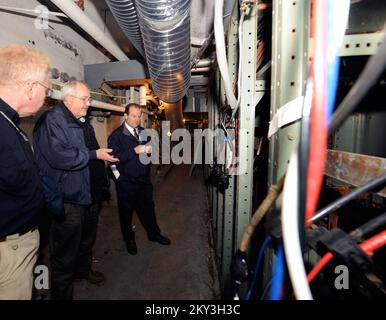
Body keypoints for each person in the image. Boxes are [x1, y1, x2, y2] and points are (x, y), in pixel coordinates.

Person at [33, 80, 118, 300]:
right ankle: (62, 294)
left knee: (86, 241)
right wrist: (95, 155)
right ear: (68, 99)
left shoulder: (82, 121)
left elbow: (89, 150)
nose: (89, 104)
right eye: (85, 99)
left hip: (89, 195)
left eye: (89, 99)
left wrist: (101, 174)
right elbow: (60, 157)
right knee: (64, 254)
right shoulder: (52, 120)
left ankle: (83, 271)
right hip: (68, 200)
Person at [0, 44, 50, 299]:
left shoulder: (10, 123)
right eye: (46, 89)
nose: (46, 97)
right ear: (31, 88)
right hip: (8, 252)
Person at [108, 103, 170, 255]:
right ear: (126, 116)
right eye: (133, 116)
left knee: (149, 210)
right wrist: (133, 152)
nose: (137, 119)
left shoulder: (143, 132)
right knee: (126, 214)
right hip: (127, 183)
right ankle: (129, 240)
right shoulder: (116, 136)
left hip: (143, 181)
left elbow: (149, 152)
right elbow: (113, 159)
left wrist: (150, 152)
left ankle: (154, 234)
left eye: (139, 116)